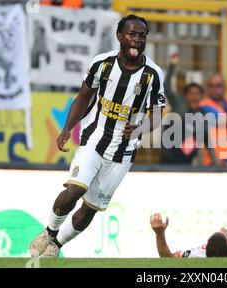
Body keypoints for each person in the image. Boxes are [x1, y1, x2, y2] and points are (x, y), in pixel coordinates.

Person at [29, 15, 165, 258]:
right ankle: (49, 232)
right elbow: (84, 96)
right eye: (132, 34)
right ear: (120, 36)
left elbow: (157, 114)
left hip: (123, 153)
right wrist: (67, 128)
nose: (136, 39)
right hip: (94, 138)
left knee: (91, 208)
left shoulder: (153, 75)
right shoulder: (102, 64)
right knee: (74, 189)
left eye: (141, 35)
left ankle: (55, 247)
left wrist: (140, 129)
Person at [161, 53, 219, 166]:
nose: (194, 96)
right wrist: (172, 65)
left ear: (201, 97)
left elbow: (207, 140)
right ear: (185, 96)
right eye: (190, 93)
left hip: (186, 164)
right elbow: (166, 85)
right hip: (168, 160)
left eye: (197, 94)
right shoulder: (179, 105)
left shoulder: (202, 114)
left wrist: (216, 163)